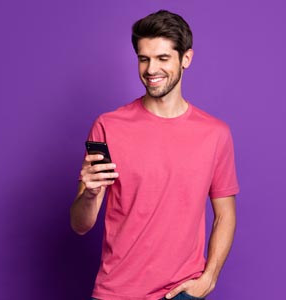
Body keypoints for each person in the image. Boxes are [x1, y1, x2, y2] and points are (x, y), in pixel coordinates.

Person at [70, 10, 240, 300]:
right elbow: (80, 225)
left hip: (181, 293)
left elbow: (224, 215)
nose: (151, 70)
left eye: (163, 58)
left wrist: (208, 279)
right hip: (117, 292)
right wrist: (89, 195)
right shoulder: (108, 126)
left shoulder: (215, 134)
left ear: (185, 59)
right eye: (143, 58)